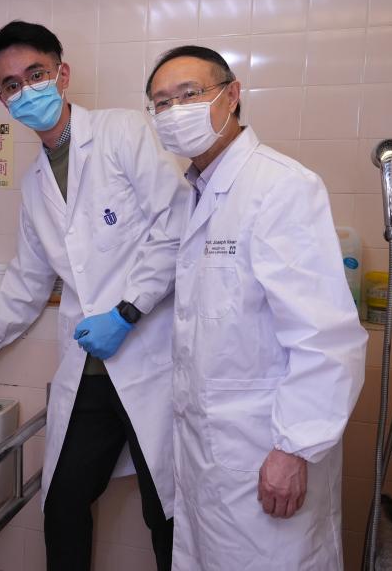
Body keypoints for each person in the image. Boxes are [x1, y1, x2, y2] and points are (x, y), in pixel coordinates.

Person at [0, 21, 189, 571]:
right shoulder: (33, 183)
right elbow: (28, 281)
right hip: (92, 372)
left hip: (153, 361)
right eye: (10, 85)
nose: (25, 91)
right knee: (63, 505)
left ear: (62, 73)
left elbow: (177, 223)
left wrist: (127, 313)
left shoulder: (125, 134)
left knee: (167, 514)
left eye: (35, 74)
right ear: (1, 99)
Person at [145, 45, 367, 570]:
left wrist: (294, 449)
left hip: (267, 451)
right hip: (213, 456)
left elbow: (326, 336)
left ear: (232, 95)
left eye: (189, 94)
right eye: (160, 103)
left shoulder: (281, 187)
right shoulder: (197, 192)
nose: (175, 112)